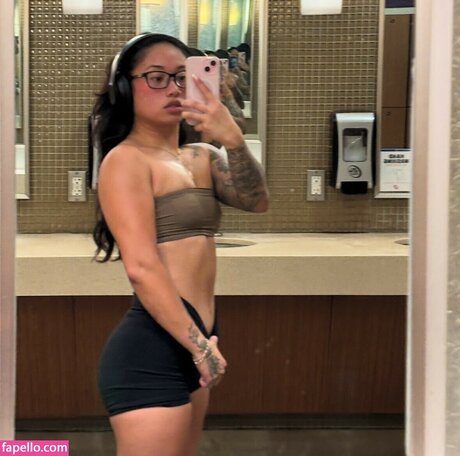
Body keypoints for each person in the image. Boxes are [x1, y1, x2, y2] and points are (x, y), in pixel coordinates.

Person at [91, 33, 269, 456]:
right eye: (156, 77)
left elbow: (257, 201)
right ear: (125, 88)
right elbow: (141, 268)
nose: (173, 88)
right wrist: (199, 346)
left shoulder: (202, 156)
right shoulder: (126, 161)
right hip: (152, 351)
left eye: (181, 77)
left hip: (196, 342)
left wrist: (233, 139)